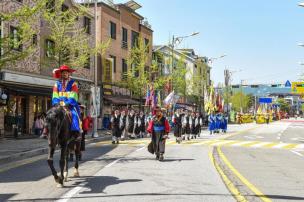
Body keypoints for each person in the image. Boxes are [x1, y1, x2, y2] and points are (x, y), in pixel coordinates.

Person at [41, 65, 81, 139]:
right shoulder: (57, 83)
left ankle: (76, 132)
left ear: (69, 74)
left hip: (70, 105)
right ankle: (45, 131)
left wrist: (67, 103)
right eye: (63, 73)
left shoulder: (73, 83)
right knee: (49, 115)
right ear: (61, 74)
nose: (64, 74)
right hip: (58, 105)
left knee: (74, 115)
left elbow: (73, 95)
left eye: (66, 73)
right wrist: (57, 103)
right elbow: (55, 95)